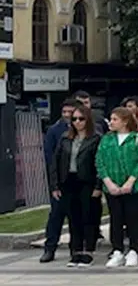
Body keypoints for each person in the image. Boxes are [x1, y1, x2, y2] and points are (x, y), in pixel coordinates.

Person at [95, 107, 138, 269]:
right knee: (116, 218)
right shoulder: (106, 139)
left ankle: (134, 249)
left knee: (134, 217)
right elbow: (99, 161)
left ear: (125, 121)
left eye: (115, 119)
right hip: (112, 186)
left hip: (134, 187)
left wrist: (130, 182)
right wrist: (108, 182)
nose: (111, 122)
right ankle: (117, 250)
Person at [48, 103, 102, 269]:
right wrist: (55, 185)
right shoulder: (65, 138)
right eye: (74, 119)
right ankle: (76, 250)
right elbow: (56, 163)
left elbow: (100, 163)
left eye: (81, 119)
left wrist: (98, 186)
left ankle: (88, 251)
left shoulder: (96, 138)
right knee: (73, 218)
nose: (77, 122)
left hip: (87, 181)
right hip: (68, 181)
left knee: (89, 216)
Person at [40, 99, 77, 263]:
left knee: (76, 216)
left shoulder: (84, 130)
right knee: (56, 215)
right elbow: (50, 157)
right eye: (65, 112)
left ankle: (75, 249)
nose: (68, 116)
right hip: (60, 180)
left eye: (71, 112)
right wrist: (54, 183)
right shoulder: (55, 131)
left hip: (77, 180)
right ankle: (50, 248)